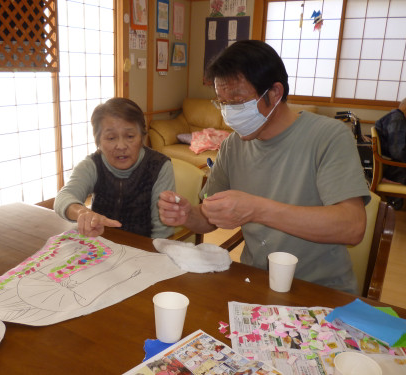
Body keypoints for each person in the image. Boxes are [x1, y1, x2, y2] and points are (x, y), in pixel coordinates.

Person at [158, 40, 370, 294]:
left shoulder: (328, 136)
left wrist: (256, 210)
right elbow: (209, 218)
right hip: (254, 281)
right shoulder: (233, 146)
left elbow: (352, 227)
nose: (229, 112)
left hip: (321, 289)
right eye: (222, 102)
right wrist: (188, 214)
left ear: (275, 93)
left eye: (238, 101)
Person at [54, 97, 175, 238]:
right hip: (101, 245)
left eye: (130, 136)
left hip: (143, 248)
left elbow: (163, 232)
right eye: (111, 138)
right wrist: (82, 212)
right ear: (98, 141)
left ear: (142, 137)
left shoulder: (160, 166)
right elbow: (63, 197)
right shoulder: (92, 164)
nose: (121, 146)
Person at [375, 94, 406, 187]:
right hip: (398, 170)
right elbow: (399, 151)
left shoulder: (399, 119)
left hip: (403, 167)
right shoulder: (397, 118)